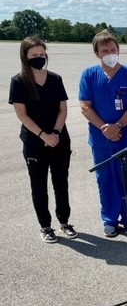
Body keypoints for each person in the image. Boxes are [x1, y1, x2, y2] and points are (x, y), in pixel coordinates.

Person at [8, 36, 78, 243]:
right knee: (39, 186)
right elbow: (22, 115)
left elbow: (63, 109)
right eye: (34, 55)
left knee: (61, 183)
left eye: (41, 54)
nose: (39, 58)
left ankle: (64, 222)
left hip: (59, 140)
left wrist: (55, 133)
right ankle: (45, 226)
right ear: (25, 56)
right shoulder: (18, 82)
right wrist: (43, 135)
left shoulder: (55, 79)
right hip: (34, 142)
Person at [79, 29, 127, 237]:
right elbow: (85, 107)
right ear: (97, 53)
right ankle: (110, 220)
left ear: (119, 50)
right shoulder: (89, 75)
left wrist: (118, 125)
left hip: (126, 137)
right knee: (106, 180)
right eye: (104, 50)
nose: (109, 52)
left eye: (112, 49)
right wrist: (105, 129)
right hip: (101, 140)